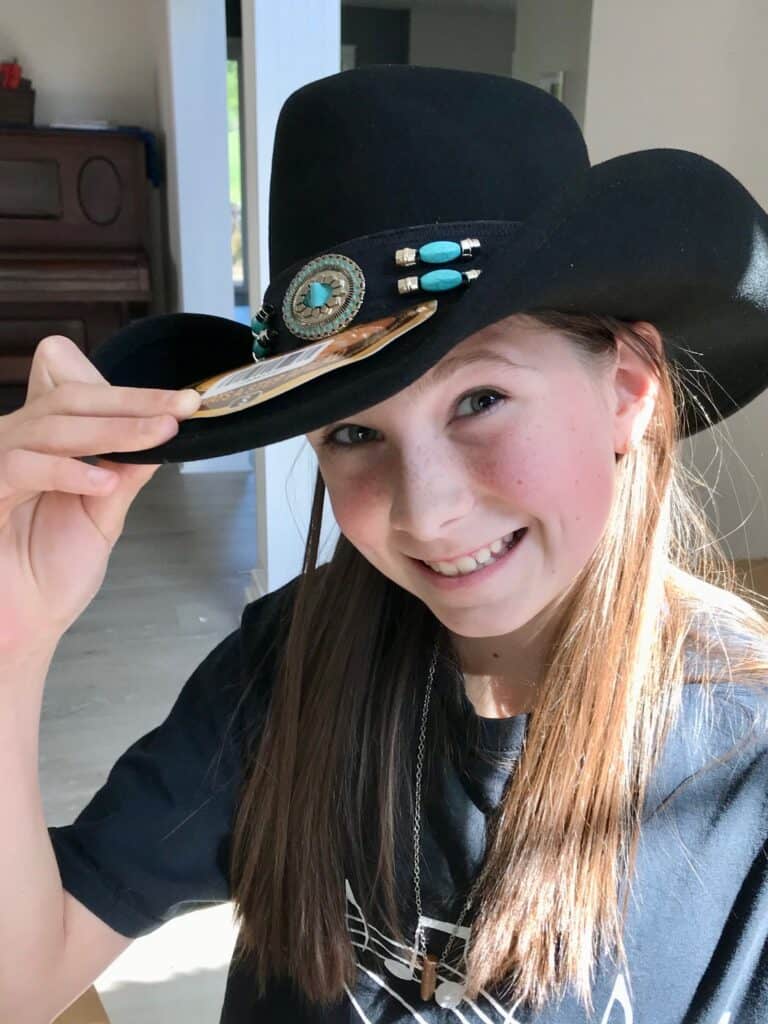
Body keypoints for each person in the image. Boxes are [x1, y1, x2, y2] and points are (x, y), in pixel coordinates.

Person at [2, 65, 768, 1024]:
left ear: (629, 387)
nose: (428, 512)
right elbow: (24, 975)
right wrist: (12, 641)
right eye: (352, 434)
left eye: (480, 400)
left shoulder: (742, 769)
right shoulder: (291, 668)